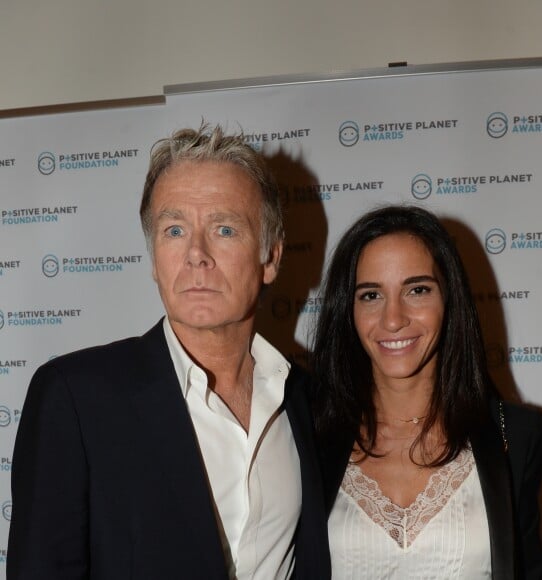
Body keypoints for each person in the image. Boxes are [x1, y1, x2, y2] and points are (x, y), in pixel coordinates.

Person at [8, 124, 331, 579]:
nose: (196, 254)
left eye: (224, 228)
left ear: (271, 258)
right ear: (154, 257)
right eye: (174, 230)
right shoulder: (76, 399)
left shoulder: (307, 402)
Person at [311, 205, 542, 579]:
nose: (393, 319)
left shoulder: (515, 436)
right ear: (348, 311)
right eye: (371, 295)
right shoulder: (307, 435)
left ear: (449, 300)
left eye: (417, 290)